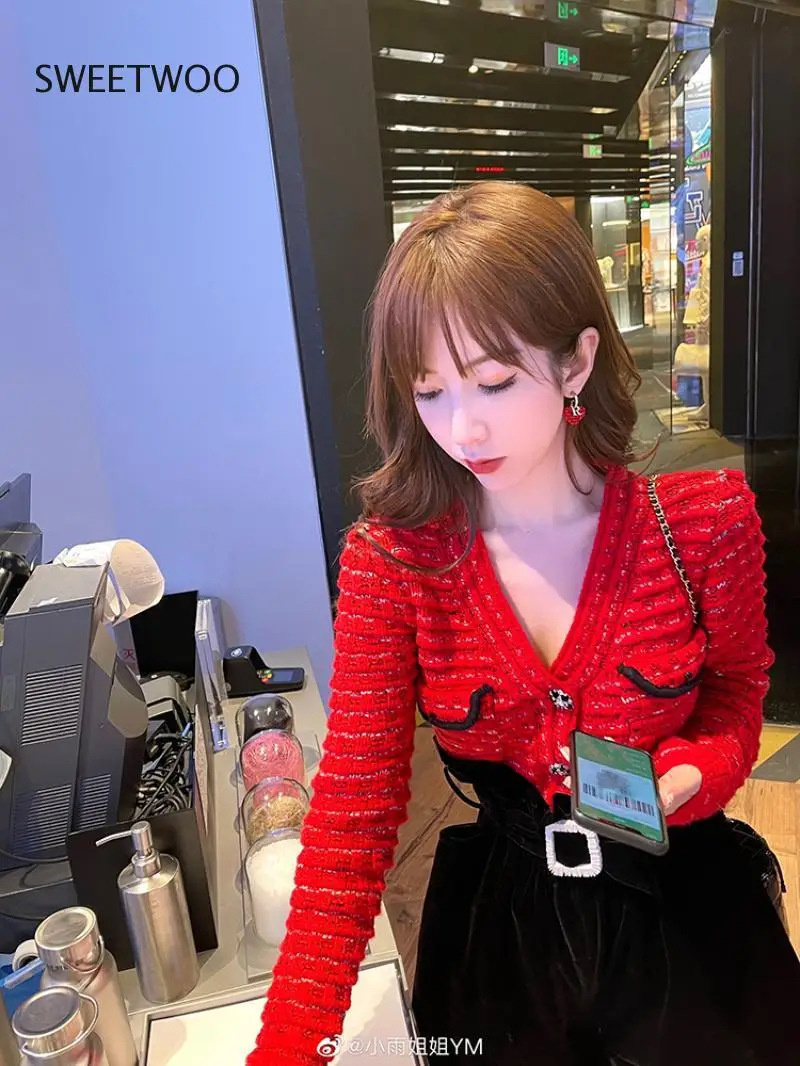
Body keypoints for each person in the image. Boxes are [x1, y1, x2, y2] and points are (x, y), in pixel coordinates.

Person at [247, 183, 800, 1066]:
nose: (462, 428)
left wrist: (700, 768)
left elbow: (735, 695)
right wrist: (289, 1046)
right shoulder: (395, 564)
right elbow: (351, 818)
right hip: (504, 939)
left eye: (495, 381)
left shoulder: (703, 525)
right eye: (429, 392)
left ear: (577, 361)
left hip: (685, 917)